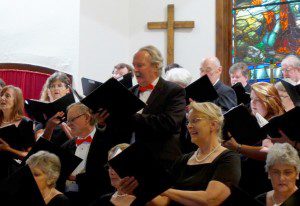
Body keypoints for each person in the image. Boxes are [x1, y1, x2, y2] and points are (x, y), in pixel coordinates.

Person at [121, 102, 241, 205]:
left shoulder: (228, 158)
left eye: (195, 120)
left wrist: (161, 189)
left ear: (213, 125)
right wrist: (139, 190)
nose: (189, 126)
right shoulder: (183, 160)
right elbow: (164, 202)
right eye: (188, 122)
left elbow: (210, 200)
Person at [105, 45, 186, 169]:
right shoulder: (130, 92)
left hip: (161, 163)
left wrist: (131, 117)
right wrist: (104, 121)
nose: (135, 70)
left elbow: (170, 122)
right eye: (134, 65)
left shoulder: (173, 90)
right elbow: (121, 129)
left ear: (156, 66)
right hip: (131, 161)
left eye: (140, 65)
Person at [224, 82, 285, 196]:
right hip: (246, 177)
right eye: (251, 99)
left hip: (262, 182)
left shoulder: (276, 123)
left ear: (270, 101)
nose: (253, 103)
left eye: (258, 99)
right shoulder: (253, 121)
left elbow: (269, 152)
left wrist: (237, 147)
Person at [45, 103, 111, 206]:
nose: (69, 124)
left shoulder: (106, 142)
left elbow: (106, 174)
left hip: (95, 200)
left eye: (72, 119)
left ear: (87, 117)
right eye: (67, 121)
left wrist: (76, 178)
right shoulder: (65, 147)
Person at [0, 85, 35, 179]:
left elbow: (31, 156)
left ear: (16, 101)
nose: (2, 98)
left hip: (11, 172)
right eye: (1, 95)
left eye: (7, 96)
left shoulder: (25, 123)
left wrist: (8, 149)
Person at [36, 72, 72, 146]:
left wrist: (62, 122)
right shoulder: (43, 111)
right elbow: (38, 141)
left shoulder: (73, 111)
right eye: (52, 86)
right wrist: (49, 126)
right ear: (48, 90)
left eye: (59, 85)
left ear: (67, 90)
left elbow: (78, 141)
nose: (56, 88)